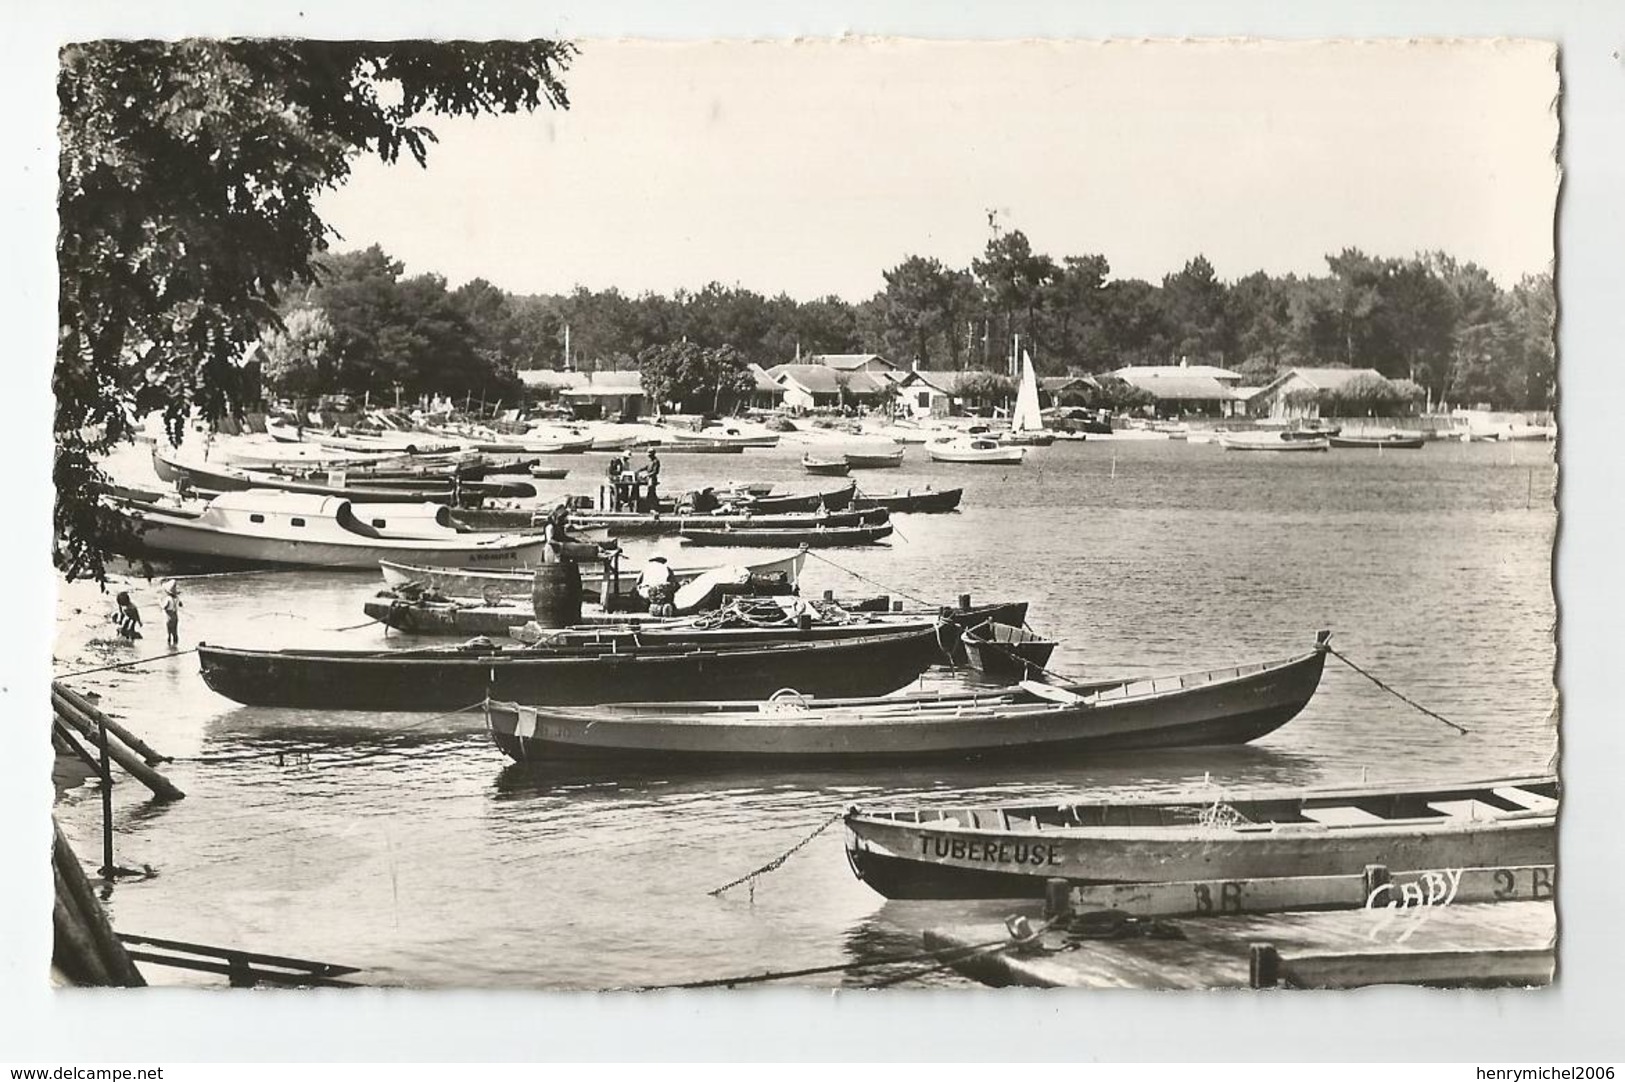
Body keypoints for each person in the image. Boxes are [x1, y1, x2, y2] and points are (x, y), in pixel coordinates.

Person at [160, 579, 182, 648]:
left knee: (169, 634)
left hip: (169, 618)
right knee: (175, 633)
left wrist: (160, 603)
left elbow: (164, 607)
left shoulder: (168, 598)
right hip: (175, 617)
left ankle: (169, 648)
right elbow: (181, 605)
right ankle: (176, 647)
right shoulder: (177, 598)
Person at [641, 448, 662, 512]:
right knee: (651, 492)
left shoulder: (656, 461)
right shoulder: (650, 461)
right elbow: (646, 467)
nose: (648, 454)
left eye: (650, 453)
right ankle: (652, 506)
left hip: (652, 478)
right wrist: (639, 470)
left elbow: (655, 472)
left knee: (651, 492)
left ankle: (653, 507)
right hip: (649, 478)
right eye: (648, 453)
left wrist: (647, 475)